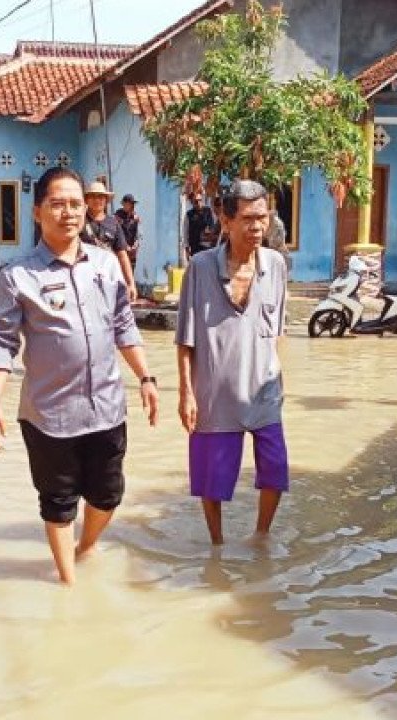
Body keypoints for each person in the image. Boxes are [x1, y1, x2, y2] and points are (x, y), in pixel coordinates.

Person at [0, 166, 159, 585]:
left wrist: (146, 378)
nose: (69, 213)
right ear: (37, 211)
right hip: (49, 414)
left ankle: (87, 546)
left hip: (106, 407)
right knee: (58, 503)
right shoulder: (18, 275)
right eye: (57, 204)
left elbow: (122, 325)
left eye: (76, 204)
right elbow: (2, 342)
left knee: (108, 494)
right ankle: (67, 585)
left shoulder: (105, 264)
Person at [175, 179, 290, 546]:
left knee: (275, 471)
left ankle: (260, 536)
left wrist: (279, 376)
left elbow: (278, 331)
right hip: (215, 390)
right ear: (226, 221)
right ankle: (217, 545)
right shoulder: (200, 267)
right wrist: (186, 393)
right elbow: (185, 336)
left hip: (263, 390)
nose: (257, 226)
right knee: (213, 479)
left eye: (263, 217)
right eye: (247, 218)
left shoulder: (276, 266)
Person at [81, 181, 138, 302]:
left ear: (106, 200)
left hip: (107, 279)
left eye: (101, 196)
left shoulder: (113, 223)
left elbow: (122, 255)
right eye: (93, 196)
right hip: (83, 279)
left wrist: (130, 283)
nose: (97, 200)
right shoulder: (79, 221)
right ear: (86, 199)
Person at [114, 193, 142, 271]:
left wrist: (136, 244)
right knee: (121, 271)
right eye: (126, 203)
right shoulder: (118, 215)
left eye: (130, 204)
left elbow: (139, 232)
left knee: (131, 270)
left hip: (132, 250)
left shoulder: (135, 217)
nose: (128, 205)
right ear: (123, 204)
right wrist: (125, 246)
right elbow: (117, 233)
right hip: (121, 249)